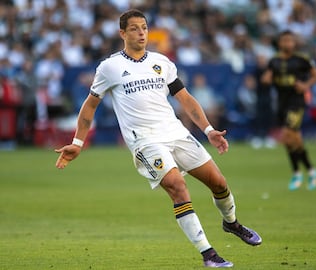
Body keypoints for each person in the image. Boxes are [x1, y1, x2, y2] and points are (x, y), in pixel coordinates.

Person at [55, 10, 261, 268]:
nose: (141, 33)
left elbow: (185, 98)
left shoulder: (162, 63)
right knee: (177, 187)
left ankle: (231, 223)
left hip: (175, 132)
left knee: (219, 184)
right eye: (134, 28)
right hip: (145, 141)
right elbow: (89, 106)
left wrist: (209, 130)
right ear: (122, 33)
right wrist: (77, 143)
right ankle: (208, 254)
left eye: (144, 27)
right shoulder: (110, 67)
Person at [262, 30, 316, 191]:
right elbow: (267, 77)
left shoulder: (302, 60)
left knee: (288, 135)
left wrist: (306, 85)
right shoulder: (274, 61)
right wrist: (266, 78)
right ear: (280, 43)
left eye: (290, 41)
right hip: (282, 103)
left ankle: (297, 172)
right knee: (292, 139)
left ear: (294, 43)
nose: (288, 43)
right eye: (285, 41)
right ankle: (310, 169)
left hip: (296, 102)